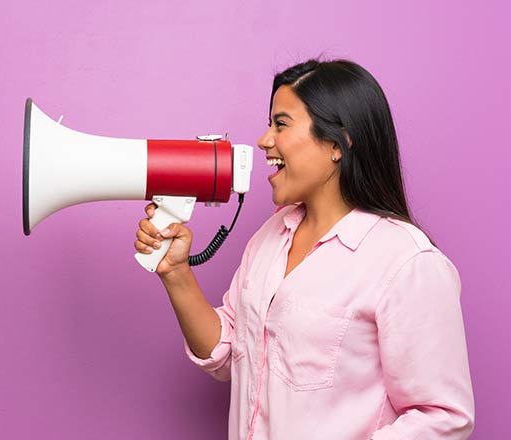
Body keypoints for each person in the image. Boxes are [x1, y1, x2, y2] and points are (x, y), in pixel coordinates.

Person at [134, 58, 474, 440]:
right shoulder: (270, 236)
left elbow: (443, 417)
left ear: (337, 143)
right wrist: (177, 273)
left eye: (281, 124)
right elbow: (227, 352)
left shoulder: (407, 262)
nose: (264, 140)